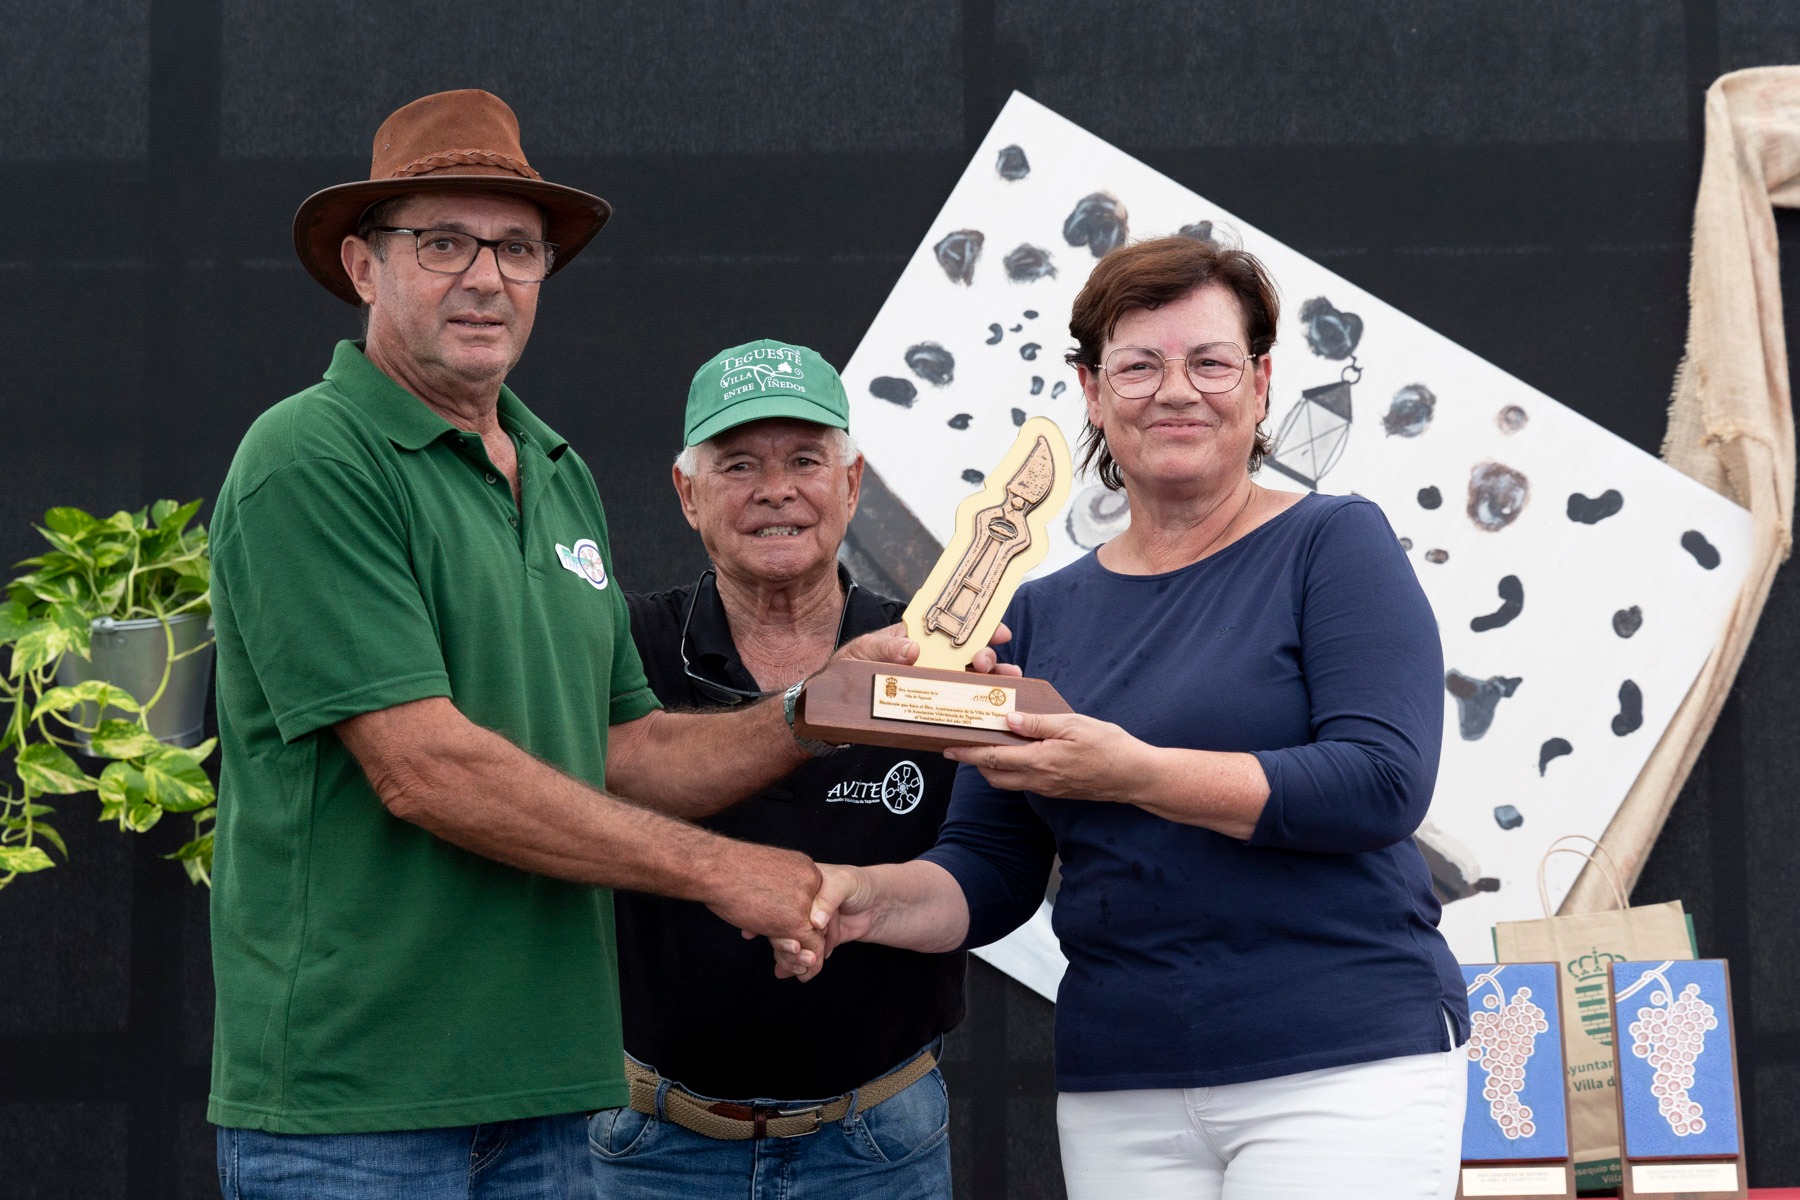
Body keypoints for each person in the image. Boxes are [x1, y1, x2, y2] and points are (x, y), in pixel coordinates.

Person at [205, 91, 975, 1199]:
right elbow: (424, 769)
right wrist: (726, 871)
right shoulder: (311, 456)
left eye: (518, 248)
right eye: (443, 242)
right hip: (361, 1110)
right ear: (363, 266)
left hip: (550, 1100)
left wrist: (817, 706)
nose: (486, 277)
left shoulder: (555, 473)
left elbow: (625, 750)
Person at [783, 236, 1472, 1200]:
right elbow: (990, 868)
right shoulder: (1037, 614)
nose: (1176, 391)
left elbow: (1381, 782)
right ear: (1093, 392)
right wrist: (859, 898)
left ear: (1261, 383)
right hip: (1123, 1083)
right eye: (1139, 366)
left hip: (1340, 1065)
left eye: (1211, 363)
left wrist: (1132, 772)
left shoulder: (1332, 542)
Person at [589, 339, 964, 1198]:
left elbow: (986, 862)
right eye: (739, 465)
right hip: (653, 1148)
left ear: (852, 484)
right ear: (687, 493)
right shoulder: (626, 648)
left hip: (882, 1145)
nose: (775, 490)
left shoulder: (930, 658)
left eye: (804, 460)